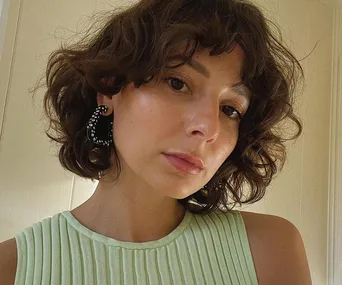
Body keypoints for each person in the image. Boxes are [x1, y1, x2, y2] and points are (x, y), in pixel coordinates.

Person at [0, 0, 312, 284]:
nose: (208, 127)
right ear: (110, 89)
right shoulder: (12, 269)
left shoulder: (271, 251)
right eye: (178, 83)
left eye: (230, 109)